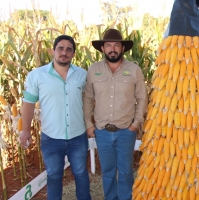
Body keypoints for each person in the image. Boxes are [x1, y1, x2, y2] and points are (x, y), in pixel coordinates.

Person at [19, 35, 91, 200]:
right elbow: (28, 104)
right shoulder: (37, 75)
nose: (64, 52)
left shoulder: (82, 75)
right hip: (51, 138)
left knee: (81, 174)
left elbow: (90, 100)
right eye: (60, 48)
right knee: (53, 176)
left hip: (78, 136)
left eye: (69, 49)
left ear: (73, 54)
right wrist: (25, 130)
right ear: (53, 50)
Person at [83, 28, 148, 200]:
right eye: (109, 45)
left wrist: (135, 124)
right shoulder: (93, 70)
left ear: (123, 48)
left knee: (126, 171)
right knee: (108, 172)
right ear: (103, 48)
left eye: (116, 45)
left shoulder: (134, 70)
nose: (113, 48)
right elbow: (88, 98)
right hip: (102, 132)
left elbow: (142, 98)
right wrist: (89, 125)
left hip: (126, 131)